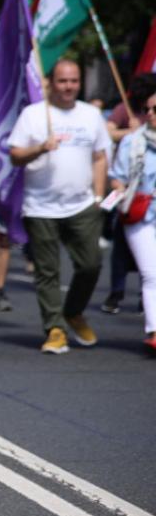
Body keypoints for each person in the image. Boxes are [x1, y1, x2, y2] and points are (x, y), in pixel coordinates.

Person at [9, 59, 109, 354]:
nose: (69, 87)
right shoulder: (33, 115)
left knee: (90, 264)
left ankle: (73, 311)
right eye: (63, 81)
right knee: (47, 272)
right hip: (41, 207)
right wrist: (40, 147)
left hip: (81, 206)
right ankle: (54, 328)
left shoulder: (91, 115)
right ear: (50, 83)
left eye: (74, 81)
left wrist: (98, 197)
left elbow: (100, 156)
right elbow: (15, 155)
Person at [108, 87, 156, 352]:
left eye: (155, 110)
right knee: (151, 273)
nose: (150, 115)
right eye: (147, 109)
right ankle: (154, 329)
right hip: (140, 214)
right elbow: (117, 176)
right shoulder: (132, 141)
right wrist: (117, 192)